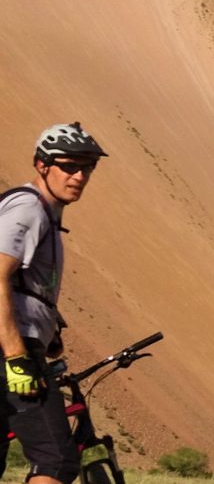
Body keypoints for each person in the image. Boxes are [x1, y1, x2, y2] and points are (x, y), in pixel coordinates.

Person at [0, 122, 108, 484]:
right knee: (57, 460)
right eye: (69, 166)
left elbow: (22, 286)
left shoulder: (45, 213)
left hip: (22, 344)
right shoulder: (30, 208)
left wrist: (50, 331)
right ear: (42, 165)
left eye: (87, 167)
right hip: (12, 353)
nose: (79, 176)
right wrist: (17, 357)